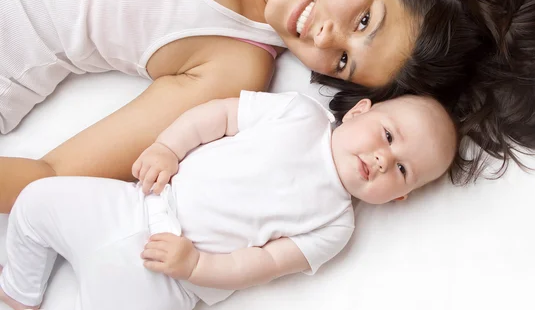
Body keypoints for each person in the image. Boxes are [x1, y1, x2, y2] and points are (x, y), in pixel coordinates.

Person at [0, 0, 535, 211]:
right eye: (364, 20)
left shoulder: (233, 65)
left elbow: (48, 177)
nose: (329, 39)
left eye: (346, 62)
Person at [0, 91, 457, 310]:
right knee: (36, 201)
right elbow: (216, 116)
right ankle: (19, 293)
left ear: (398, 197)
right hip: (135, 202)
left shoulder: (335, 226)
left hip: (164, 279)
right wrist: (166, 147)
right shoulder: (300, 113)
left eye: (401, 168)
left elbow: (260, 266)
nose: (382, 158)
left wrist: (193, 266)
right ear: (361, 110)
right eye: (388, 136)